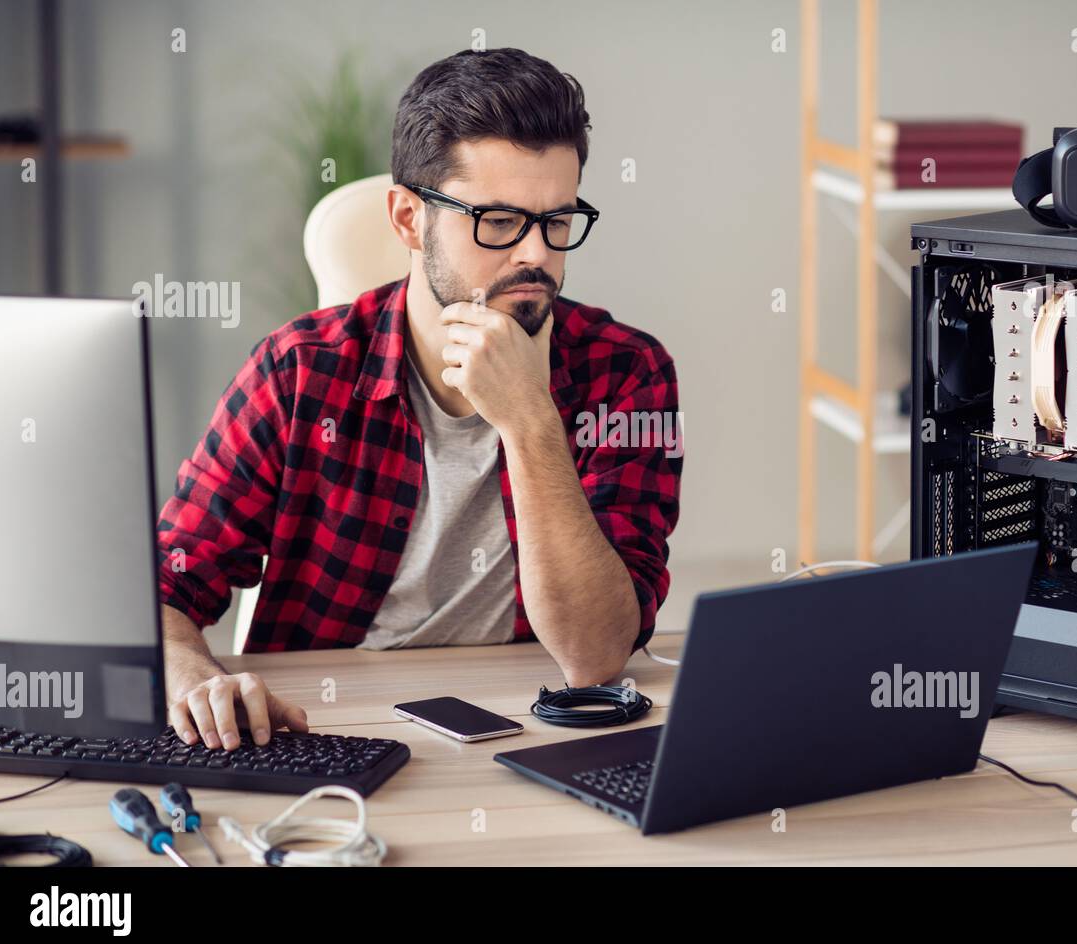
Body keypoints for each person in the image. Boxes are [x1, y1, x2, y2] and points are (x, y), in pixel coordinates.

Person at [156, 48, 683, 751]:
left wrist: (529, 421)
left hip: (529, 731)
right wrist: (190, 673)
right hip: (330, 731)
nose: (536, 256)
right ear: (409, 220)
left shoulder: (627, 374)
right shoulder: (299, 372)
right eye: (499, 221)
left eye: (557, 220)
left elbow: (595, 656)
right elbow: (163, 588)